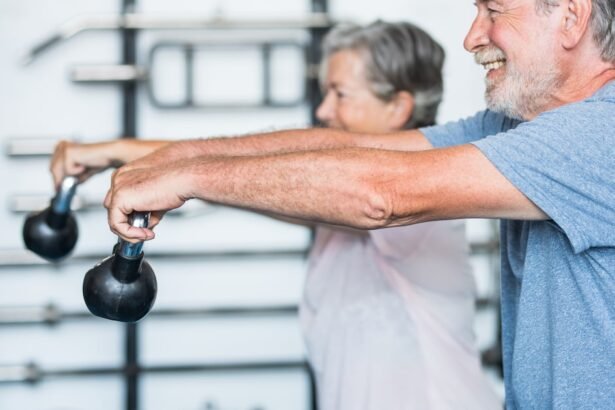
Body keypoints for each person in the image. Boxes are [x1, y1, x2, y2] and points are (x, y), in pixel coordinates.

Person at [97, 0, 615, 407]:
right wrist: (173, 161)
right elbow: (342, 148)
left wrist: (188, 176)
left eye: (493, 10)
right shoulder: (519, 127)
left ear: (571, 16)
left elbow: (380, 193)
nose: (472, 36)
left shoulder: (600, 134)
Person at [51, 21, 500, 410]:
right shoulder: (336, 204)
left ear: (398, 108)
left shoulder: (408, 200)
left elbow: (287, 172)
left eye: (340, 94)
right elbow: (262, 175)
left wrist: (139, 163)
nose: (324, 111)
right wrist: (123, 159)